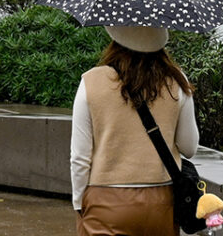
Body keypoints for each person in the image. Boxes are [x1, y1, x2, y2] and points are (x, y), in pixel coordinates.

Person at [70, 24, 199, 236]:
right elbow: (189, 147)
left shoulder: (90, 82)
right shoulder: (176, 81)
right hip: (161, 201)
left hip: (105, 202)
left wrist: (79, 204)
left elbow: (80, 157)